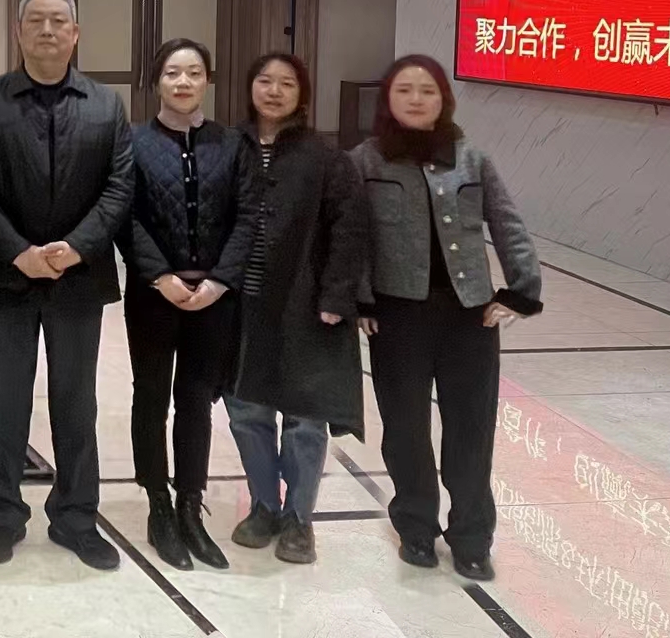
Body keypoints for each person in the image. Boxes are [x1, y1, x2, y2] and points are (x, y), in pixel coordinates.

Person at [0, 0, 134, 572]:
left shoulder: (106, 104)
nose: (48, 30)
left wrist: (76, 247)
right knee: (5, 403)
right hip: (9, 278)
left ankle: (76, 517)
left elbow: (119, 185)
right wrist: (18, 251)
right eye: (36, 21)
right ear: (19, 32)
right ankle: (4, 516)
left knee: (75, 403)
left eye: (59, 21)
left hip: (78, 280)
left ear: (76, 34)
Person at [351, 53, 543, 582]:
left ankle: (472, 538)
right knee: (405, 430)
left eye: (428, 91)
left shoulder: (471, 158)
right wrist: (362, 300)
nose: (416, 99)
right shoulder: (365, 161)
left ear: (444, 99)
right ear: (387, 99)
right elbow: (353, 235)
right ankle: (416, 528)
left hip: (469, 318)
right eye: (405, 90)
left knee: (471, 431)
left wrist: (521, 291)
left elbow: (508, 224)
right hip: (397, 318)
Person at [210, 52, 368, 566]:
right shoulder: (227, 147)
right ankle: (264, 505)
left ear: (302, 94)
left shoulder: (326, 158)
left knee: (304, 417)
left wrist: (337, 297)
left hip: (305, 307)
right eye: (265, 81)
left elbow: (349, 230)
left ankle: (300, 518)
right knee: (246, 410)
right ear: (249, 87)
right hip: (241, 305)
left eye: (286, 83)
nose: (274, 91)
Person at [121, 39, 243, 572]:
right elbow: (125, 216)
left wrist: (220, 281)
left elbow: (246, 217)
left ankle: (191, 505)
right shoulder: (133, 142)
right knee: (150, 395)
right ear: (157, 81)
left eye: (194, 72)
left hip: (214, 298)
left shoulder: (230, 144)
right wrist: (159, 275)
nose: (184, 82)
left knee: (196, 400)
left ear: (207, 81)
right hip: (154, 294)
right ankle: (158, 505)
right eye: (173, 72)